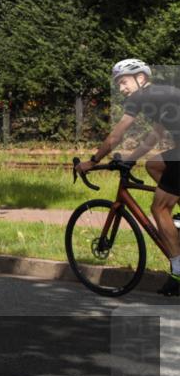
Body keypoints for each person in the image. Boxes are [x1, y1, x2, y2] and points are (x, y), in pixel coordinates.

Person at [75, 58, 180, 295]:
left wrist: (93, 160)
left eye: (123, 82)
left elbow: (117, 134)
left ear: (140, 78)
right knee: (154, 165)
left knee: (160, 209)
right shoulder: (160, 96)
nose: (121, 89)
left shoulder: (141, 97)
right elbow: (155, 134)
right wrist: (132, 159)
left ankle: (178, 272)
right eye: (119, 84)